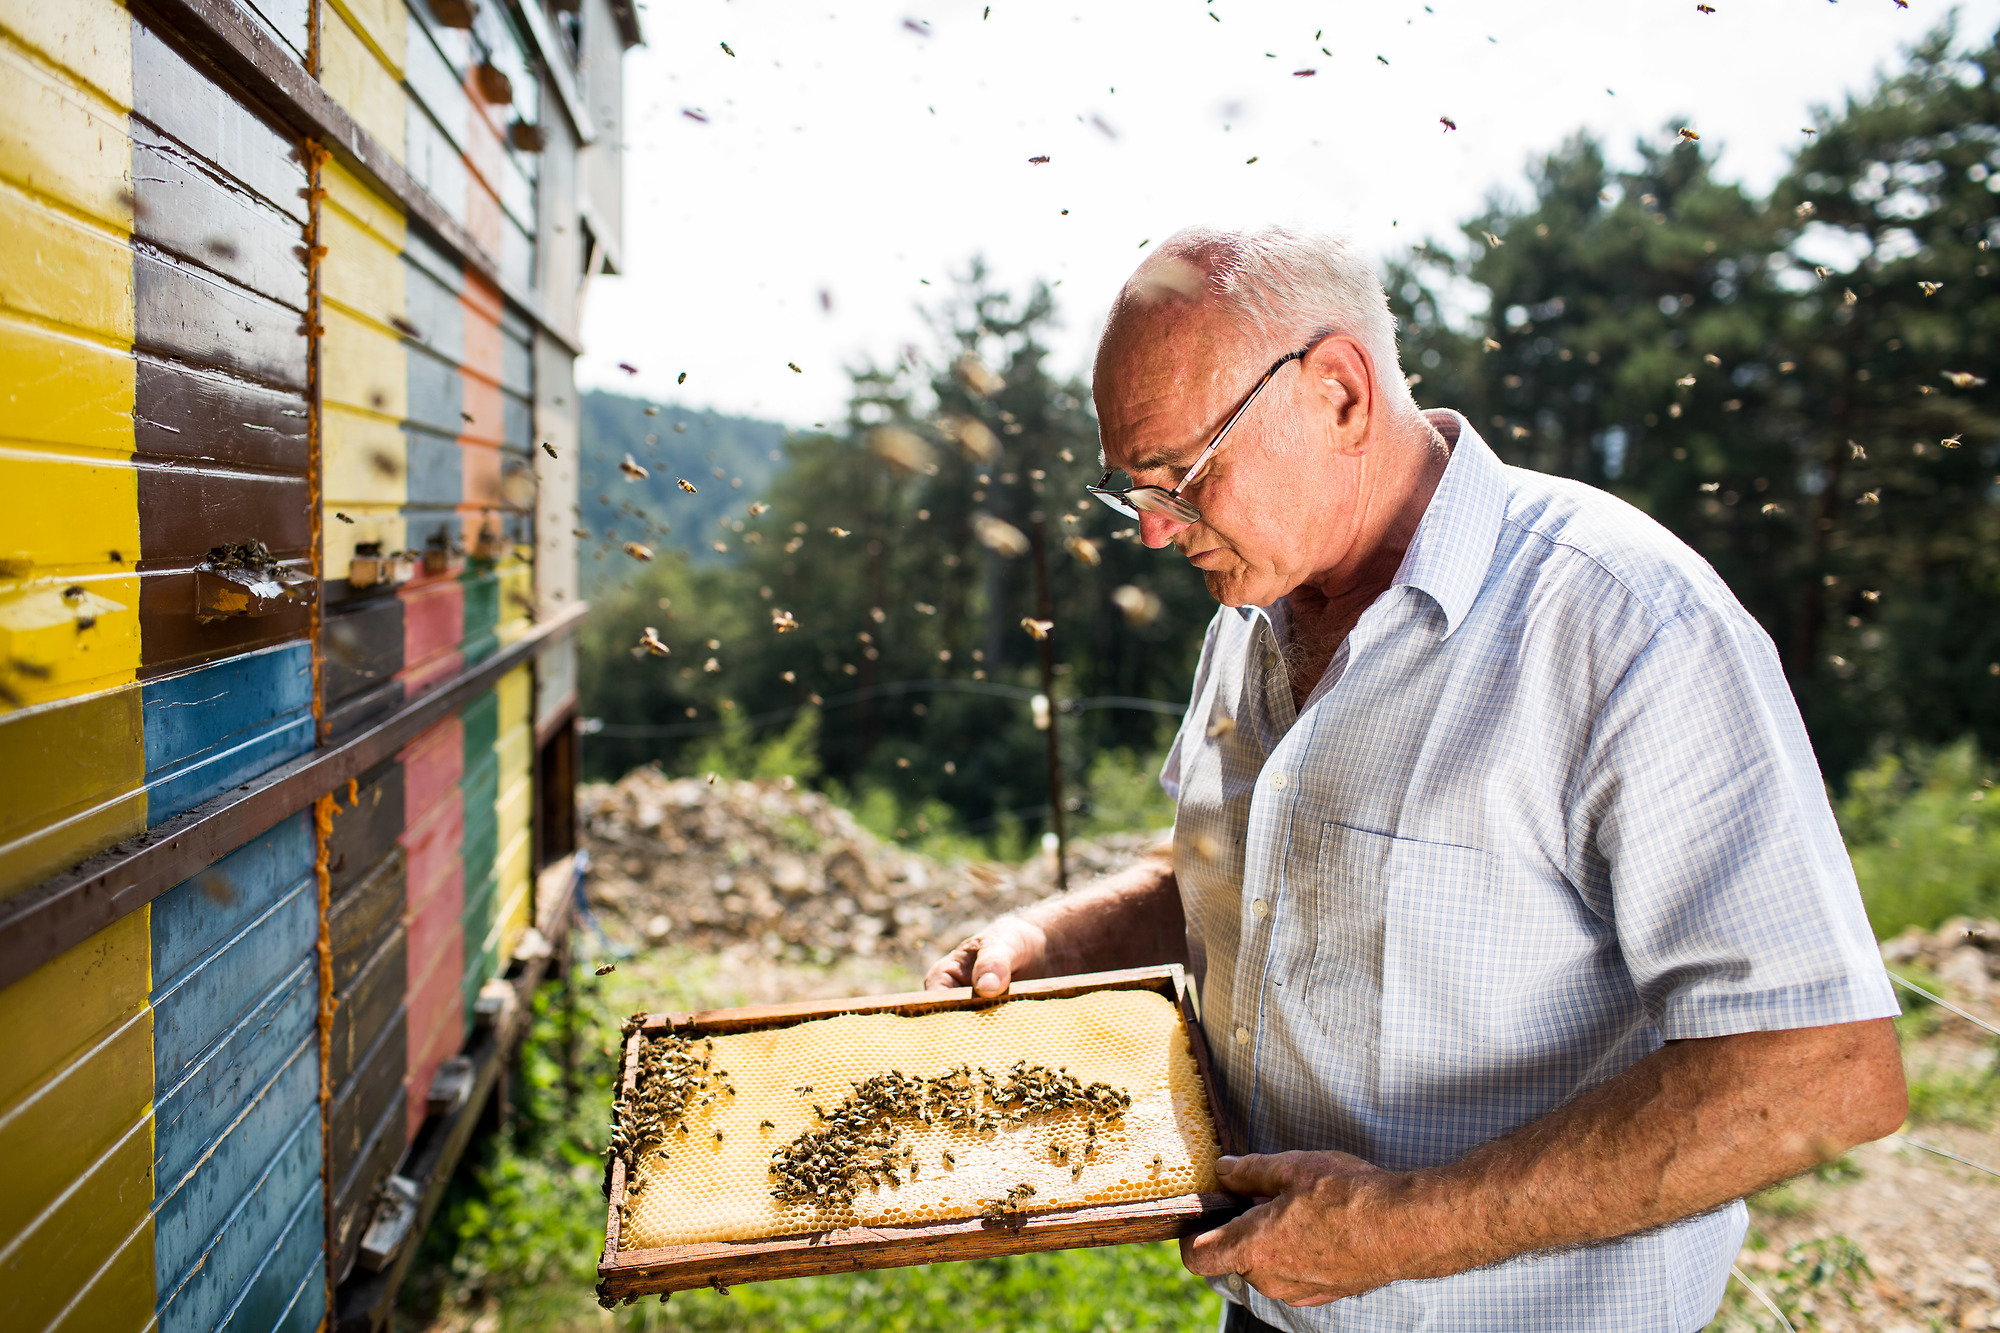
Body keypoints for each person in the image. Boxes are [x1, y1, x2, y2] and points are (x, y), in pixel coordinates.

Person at [924, 226, 1906, 1332]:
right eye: (1130, 488)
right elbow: (1243, 876)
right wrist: (1058, 941)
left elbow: (1818, 1070)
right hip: (1269, 1310)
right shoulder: (1248, 616)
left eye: (1181, 476)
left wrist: (1398, 1228)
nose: (1153, 530)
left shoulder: (1622, 620)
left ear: (1339, 394)